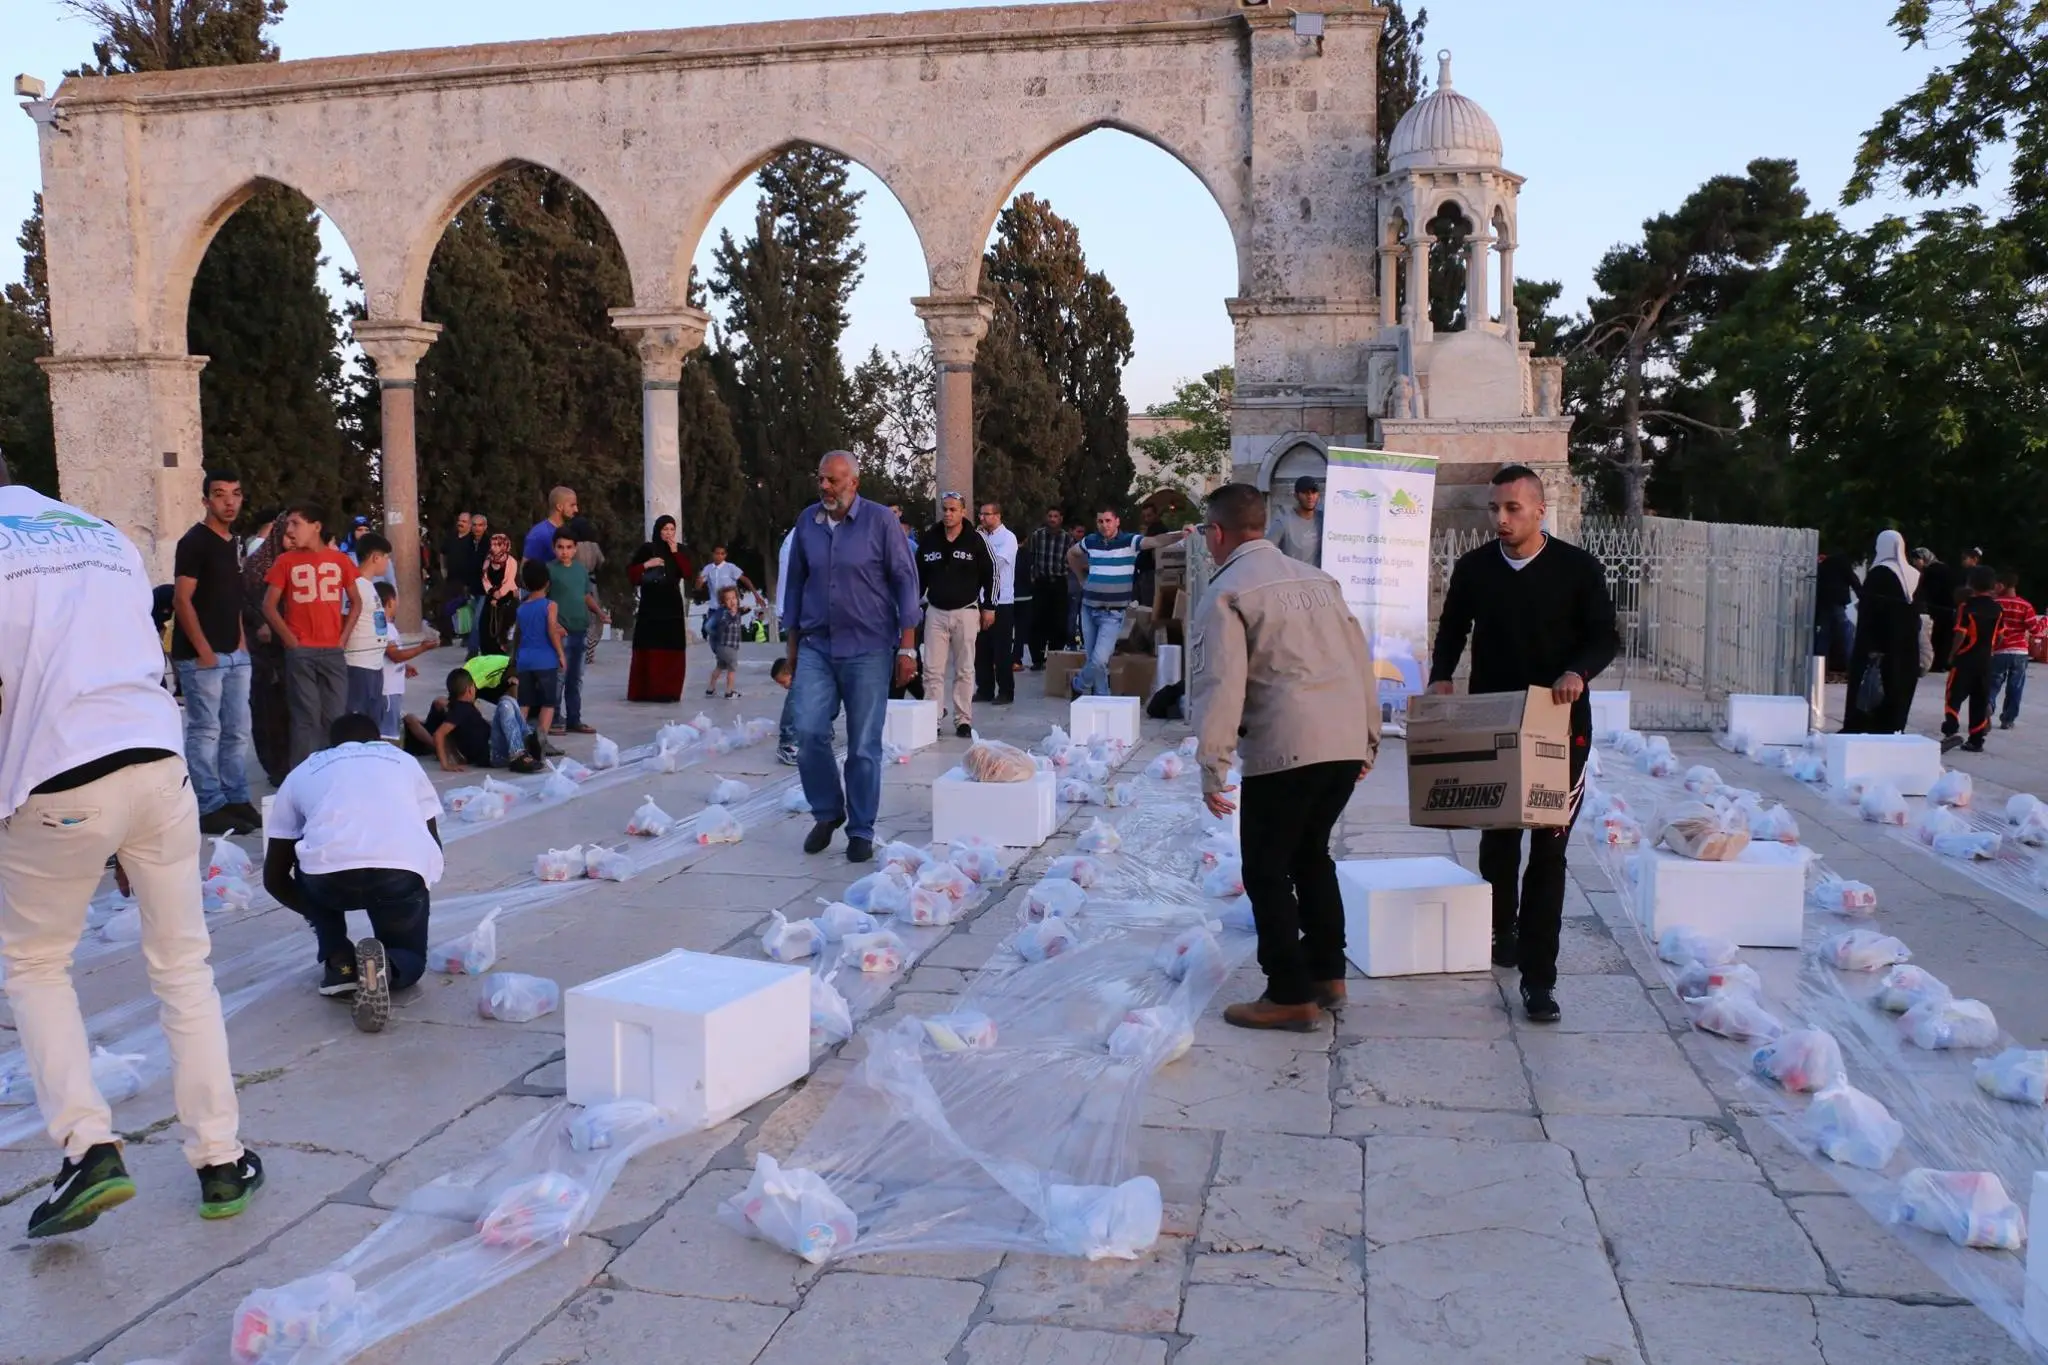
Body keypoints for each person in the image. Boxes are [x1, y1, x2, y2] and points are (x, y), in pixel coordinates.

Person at [0, 460, 263, 1238]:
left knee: (36, 963)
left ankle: (88, 1146)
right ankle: (220, 1157)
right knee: (183, 966)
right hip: (156, 762)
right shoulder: (100, 535)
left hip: (56, 777)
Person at [1429, 465, 1620, 1025]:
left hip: (1559, 727)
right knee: (1498, 836)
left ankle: (1540, 980)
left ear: (1540, 509)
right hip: (1496, 720)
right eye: (1495, 509)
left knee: (1549, 849)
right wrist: (1443, 674)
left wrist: (1578, 672)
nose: (1502, 519)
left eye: (1513, 508)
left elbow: (1604, 634)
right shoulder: (1475, 568)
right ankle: (1502, 931)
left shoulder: (1576, 568)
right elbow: (1452, 627)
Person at [1190, 484, 1380, 1030]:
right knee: (1312, 855)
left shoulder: (1227, 592)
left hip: (1287, 746)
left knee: (1267, 868)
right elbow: (1358, 660)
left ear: (1218, 533)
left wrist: (1213, 765)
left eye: (1207, 532)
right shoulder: (1321, 581)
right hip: (1341, 742)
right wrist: (1367, 738)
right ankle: (1327, 973)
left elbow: (1220, 684)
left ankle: (1289, 991)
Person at [262, 713, 445, 1034]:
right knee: (411, 956)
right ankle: (387, 968)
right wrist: (418, 885)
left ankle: (341, 963)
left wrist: (319, 917)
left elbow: (274, 877)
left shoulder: (304, 771)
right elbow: (431, 840)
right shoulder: (403, 761)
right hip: (399, 870)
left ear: (330, 747)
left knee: (308, 864)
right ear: (379, 741)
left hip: (329, 878)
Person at [784, 451, 921, 862]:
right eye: (821, 479)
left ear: (854, 483)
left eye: (833, 481)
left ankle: (861, 828)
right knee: (807, 732)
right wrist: (791, 649)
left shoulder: (881, 521)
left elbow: (905, 581)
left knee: (863, 745)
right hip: (816, 645)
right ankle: (828, 811)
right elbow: (794, 585)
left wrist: (907, 644)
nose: (825, 487)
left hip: (869, 647)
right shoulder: (807, 522)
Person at [171, 469, 261, 836]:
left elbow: (232, 598)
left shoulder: (233, 542)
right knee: (206, 730)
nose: (229, 501)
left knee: (238, 730)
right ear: (206, 499)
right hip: (202, 658)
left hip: (234, 653)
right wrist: (204, 650)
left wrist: (240, 641)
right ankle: (208, 805)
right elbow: (182, 599)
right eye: (220, 494)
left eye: (236, 493)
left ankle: (235, 796)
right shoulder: (194, 542)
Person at [262, 504, 371, 773]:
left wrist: (342, 639)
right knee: (305, 717)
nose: (289, 530)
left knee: (335, 716)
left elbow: (356, 602)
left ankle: (335, 771)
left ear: (316, 526)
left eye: (295, 523)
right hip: (302, 652)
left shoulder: (340, 560)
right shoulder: (285, 562)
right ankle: (303, 776)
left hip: (332, 650)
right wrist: (291, 641)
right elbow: (268, 605)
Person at [1066, 508, 1189, 697]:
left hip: (1112, 613)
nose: (1104, 525)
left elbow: (1156, 541)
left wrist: (1181, 534)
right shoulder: (1090, 541)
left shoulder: (1129, 541)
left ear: (1117, 522)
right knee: (1094, 659)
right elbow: (1071, 554)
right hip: (1089, 608)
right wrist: (1081, 579)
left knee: (1099, 660)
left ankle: (1078, 684)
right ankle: (1102, 700)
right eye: (1100, 521)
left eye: (1108, 521)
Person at [918, 492, 997, 737]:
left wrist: (990, 606)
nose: (948, 514)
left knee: (964, 668)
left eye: (953, 509)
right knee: (932, 669)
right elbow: (917, 575)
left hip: (966, 611)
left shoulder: (975, 540)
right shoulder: (930, 539)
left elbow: (991, 573)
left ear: (963, 511)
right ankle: (933, 719)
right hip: (936, 612)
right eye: (945, 509)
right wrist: (912, 605)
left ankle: (963, 719)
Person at [1843, 531, 1924, 735]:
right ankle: (1894, 730)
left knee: (1869, 694)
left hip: (1878, 649)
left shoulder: (1880, 573)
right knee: (1898, 691)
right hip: (1906, 648)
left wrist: (1869, 647)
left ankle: (1864, 730)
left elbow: (1870, 614)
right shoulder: (1914, 575)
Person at [403, 666, 540, 773]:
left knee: (508, 701)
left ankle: (527, 740)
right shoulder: (459, 710)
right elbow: (439, 734)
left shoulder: (461, 708)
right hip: (493, 754)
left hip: (494, 747)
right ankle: (519, 752)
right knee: (505, 702)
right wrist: (446, 765)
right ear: (470, 690)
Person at [242, 511, 293, 787]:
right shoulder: (258, 565)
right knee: (267, 710)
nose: (292, 538)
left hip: (290, 645)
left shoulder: (295, 563)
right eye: (287, 532)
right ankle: (275, 765)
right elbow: (244, 601)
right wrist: (261, 622)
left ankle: (291, 762)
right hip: (263, 649)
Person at [546, 527, 606, 735]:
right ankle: (553, 719)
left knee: (575, 677)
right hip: (560, 632)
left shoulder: (580, 571)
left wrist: (600, 613)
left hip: (580, 629)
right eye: (560, 547)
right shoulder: (550, 570)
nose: (564, 551)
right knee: (558, 677)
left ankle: (574, 719)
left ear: (575, 549)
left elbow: (585, 596)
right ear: (554, 548)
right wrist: (552, 623)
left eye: (569, 547)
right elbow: (543, 600)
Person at [628, 515, 692, 702]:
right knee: (648, 645)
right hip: (650, 606)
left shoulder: (680, 550)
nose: (669, 533)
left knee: (671, 646)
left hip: (671, 606)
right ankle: (645, 691)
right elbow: (631, 574)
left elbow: (687, 573)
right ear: (658, 530)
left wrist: (674, 553)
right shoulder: (647, 549)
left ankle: (668, 691)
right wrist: (648, 564)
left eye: (672, 529)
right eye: (665, 529)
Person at [1943, 566, 2002, 754]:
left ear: (1971, 583)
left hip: (1965, 659)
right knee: (1979, 699)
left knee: (1954, 694)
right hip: (1985, 661)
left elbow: (1961, 633)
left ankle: (1951, 728)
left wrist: (1952, 653)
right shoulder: (1997, 608)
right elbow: (2000, 636)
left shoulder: (1965, 607)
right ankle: (1976, 741)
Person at [510, 560, 566, 746]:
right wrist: (560, 653)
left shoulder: (522, 608)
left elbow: (518, 634)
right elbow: (551, 629)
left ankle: (516, 739)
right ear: (547, 582)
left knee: (524, 702)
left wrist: (514, 657)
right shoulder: (550, 605)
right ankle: (540, 741)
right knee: (548, 702)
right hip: (545, 660)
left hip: (524, 660)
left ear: (525, 583)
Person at [341, 533, 394, 724]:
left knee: (373, 723)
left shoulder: (370, 586)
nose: (388, 563)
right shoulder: (354, 585)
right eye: (387, 557)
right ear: (375, 557)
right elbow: (345, 620)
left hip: (375, 664)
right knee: (358, 722)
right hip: (358, 665)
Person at [375, 581, 436, 742]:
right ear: (390, 601)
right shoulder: (383, 627)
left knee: (394, 729)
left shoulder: (389, 626)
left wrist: (404, 666)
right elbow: (395, 655)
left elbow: (391, 656)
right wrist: (422, 648)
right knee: (389, 736)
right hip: (387, 691)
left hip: (394, 688)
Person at [975, 500, 1020, 706]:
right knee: (981, 648)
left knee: (1001, 648)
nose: (982, 518)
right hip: (982, 599)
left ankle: (1005, 691)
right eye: (981, 514)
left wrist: (982, 544)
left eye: (987, 514)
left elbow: (996, 563)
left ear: (998, 516)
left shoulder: (1008, 538)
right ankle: (984, 689)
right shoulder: (980, 537)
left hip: (1002, 601)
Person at [1022, 508, 1068, 670]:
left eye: (1056, 516)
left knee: (1059, 623)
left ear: (1061, 519)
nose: (1053, 519)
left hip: (1059, 583)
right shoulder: (1037, 536)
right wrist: (1033, 577)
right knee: (1037, 622)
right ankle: (1037, 659)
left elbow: (1071, 559)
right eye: (1050, 516)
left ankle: (1055, 657)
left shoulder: (1067, 538)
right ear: (1046, 518)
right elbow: (1031, 557)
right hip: (1041, 583)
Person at [1990, 571, 2034, 730]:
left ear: (2002, 584)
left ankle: (1989, 704)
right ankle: (2007, 719)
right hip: (2020, 651)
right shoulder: (2025, 605)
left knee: (1993, 683)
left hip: (1999, 650)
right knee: (2015, 687)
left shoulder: (1994, 603)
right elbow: (2034, 628)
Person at [1814, 549, 1859, 679]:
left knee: (1824, 638)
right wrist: (1863, 596)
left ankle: (1820, 672)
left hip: (1824, 605)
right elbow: (1853, 580)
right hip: (1839, 604)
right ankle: (1852, 670)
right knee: (1847, 636)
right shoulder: (1843, 562)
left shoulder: (1824, 566)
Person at [1914, 547, 1960, 672]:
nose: (1915, 563)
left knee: (1937, 636)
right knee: (1945, 636)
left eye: (1917, 560)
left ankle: (1936, 663)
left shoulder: (1932, 571)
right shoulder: (1943, 568)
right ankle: (1943, 663)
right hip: (1949, 608)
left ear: (1924, 558)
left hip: (1936, 609)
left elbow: (1928, 591)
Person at [477, 530, 519, 657]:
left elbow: (509, 580)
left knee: (504, 627)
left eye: (497, 545)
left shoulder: (511, 561)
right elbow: (485, 577)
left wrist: (500, 594)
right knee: (484, 624)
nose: (494, 548)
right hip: (491, 597)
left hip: (507, 597)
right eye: (493, 545)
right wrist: (491, 591)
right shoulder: (488, 560)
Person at [1271, 474, 1325, 566]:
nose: (1310, 496)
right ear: (1296, 495)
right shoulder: (1284, 522)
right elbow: (1266, 550)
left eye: (1313, 492)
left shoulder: (1324, 520)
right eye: (1305, 492)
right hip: (1293, 577)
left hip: (1317, 578)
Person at [522, 486, 577, 569]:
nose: (576, 509)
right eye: (572, 505)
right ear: (559, 507)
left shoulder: (567, 531)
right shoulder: (539, 534)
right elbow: (525, 568)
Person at [462, 512, 491, 652]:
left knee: (477, 621)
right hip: (472, 588)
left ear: (485, 527)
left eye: (480, 525)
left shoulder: (490, 543)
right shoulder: (467, 543)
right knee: (476, 620)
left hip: (486, 590)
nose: (477, 528)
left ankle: (472, 651)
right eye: (474, 525)